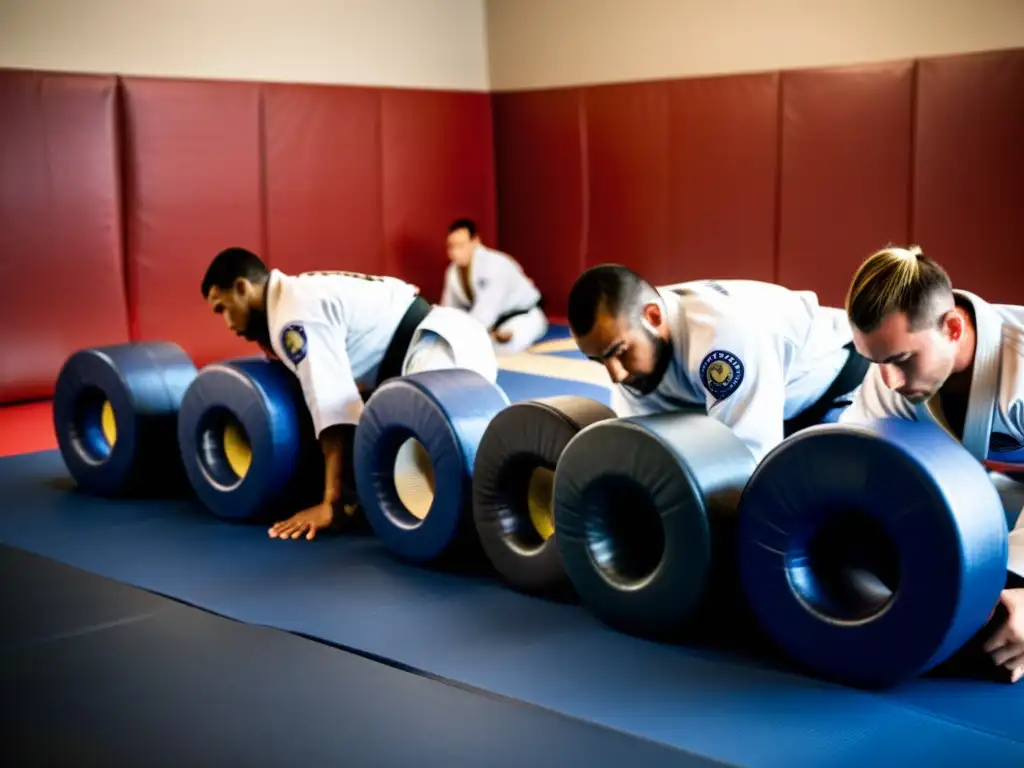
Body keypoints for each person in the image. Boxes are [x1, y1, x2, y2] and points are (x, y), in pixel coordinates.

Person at [200, 247, 499, 542]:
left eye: (223, 308)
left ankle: (514, 509)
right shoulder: (294, 296)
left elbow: (333, 409)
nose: (227, 323)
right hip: (443, 340)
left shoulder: (292, 316)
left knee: (435, 466)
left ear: (242, 287)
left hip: (437, 346)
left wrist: (331, 502)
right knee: (409, 465)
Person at [838, 244, 1024, 682]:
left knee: (1001, 629)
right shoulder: (888, 374)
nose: (890, 381)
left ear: (953, 327)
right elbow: (851, 464)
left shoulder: (1019, 367)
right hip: (993, 490)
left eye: (902, 359)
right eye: (877, 361)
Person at [566, 264, 870, 465]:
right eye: (598, 360)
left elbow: (746, 463)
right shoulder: (633, 341)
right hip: (769, 411)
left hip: (843, 389)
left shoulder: (722, 338)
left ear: (654, 318)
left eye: (619, 352)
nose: (615, 373)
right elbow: (642, 451)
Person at [441, 218, 548, 354]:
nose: (455, 252)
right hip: (490, 323)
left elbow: (486, 312)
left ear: (475, 242)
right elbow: (450, 308)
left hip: (523, 316)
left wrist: (463, 334)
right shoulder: (452, 272)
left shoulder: (495, 265)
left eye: (460, 245)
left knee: (503, 347)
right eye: (451, 246)